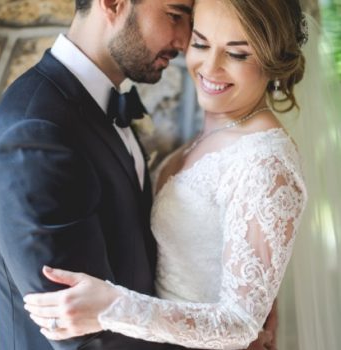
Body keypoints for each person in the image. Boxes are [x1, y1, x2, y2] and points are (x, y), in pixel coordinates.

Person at [23, 0, 308, 349]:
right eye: (201, 44)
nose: (210, 67)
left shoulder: (265, 162)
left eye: (237, 54)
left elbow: (242, 323)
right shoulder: (218, 133)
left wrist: (112, 307)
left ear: (272, 60)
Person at [0, 0, 194, 349]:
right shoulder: (35, 130)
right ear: (113, 4)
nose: (184, 39)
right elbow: (80, 335)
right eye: (175, 15)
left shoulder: (95, 104)